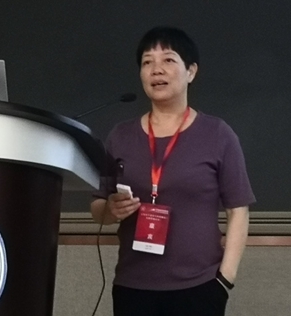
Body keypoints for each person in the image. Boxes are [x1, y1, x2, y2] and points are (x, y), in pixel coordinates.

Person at [90, 26, 255, 316]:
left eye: (168, 59)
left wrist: (224, 279)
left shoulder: (217, 134)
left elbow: (238, 211)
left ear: (191, 71)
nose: (156, 69)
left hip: (200, 287)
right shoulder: (120, 136)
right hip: (133, 286)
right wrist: (110, 210)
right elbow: (98, 208)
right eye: (147, 62)